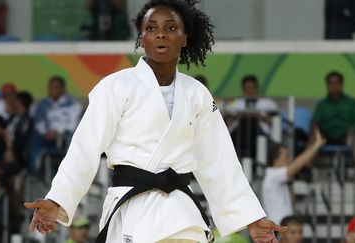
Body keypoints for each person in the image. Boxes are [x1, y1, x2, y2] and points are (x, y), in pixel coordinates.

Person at [25, 1, 287, 243]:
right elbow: (84, 148)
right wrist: (56, 199)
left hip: (181, 214)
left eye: (171, 28)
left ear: (184, 38)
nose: (161, 34)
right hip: (132, 209)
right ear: (141, 38)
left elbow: (218, 160)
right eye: (151, 28)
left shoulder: (197, 94)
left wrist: (250, 218)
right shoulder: (115, 87)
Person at [262, 129, 325, 224]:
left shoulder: (280, 178)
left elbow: (292, 202)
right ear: (276, 159)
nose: (290, 160)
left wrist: (290, 183)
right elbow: (298, 164)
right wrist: (316, 145)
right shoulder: (272, 175)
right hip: (277, 226)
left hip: (285, 225)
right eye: (286, 157)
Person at [310, 71, 355, 165]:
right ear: (326, 85)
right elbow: (315, 121)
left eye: (336, 83)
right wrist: (315, 129)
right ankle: (307, 170)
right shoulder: (321, 105)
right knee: (314, 135)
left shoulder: (351, 103)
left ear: (341, 85)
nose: (333, 86)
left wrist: (350, 130)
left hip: (346, 136)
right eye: (330, 83)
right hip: (326, 137)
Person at [225, 75, 278, 159]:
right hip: (238, 136)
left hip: (261, 136)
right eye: (247, 89)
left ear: (256, 88)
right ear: (243, 89)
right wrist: (240, 115)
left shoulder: (268, 103)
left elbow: (275, 122)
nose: (249, 92)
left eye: (252, 88)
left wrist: (258, 116)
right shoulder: (235, 104)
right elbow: (227, 122)